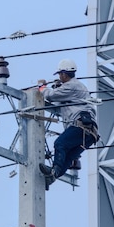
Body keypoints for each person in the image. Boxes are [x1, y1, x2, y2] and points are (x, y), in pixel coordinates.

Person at [38, 58, 99, 190]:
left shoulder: (72, 86)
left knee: (60, 144)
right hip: (90, 133)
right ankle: (53, 177)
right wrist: (58, 86)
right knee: (68, 157)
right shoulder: (77, 87)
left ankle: (53, 172)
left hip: (81, 127)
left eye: (60, 74)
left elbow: (51, 96)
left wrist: (42, 88)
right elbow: (62, 99)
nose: (59, 77)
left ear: (64, 74)